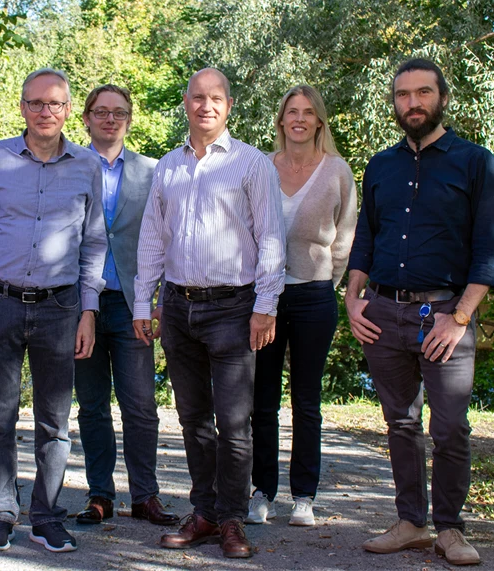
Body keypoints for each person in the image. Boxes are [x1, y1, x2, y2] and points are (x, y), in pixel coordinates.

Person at [346, 58, 494, 566]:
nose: (412, 103)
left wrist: (458, 318)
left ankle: (450, 529)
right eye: (403, 95)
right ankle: (412, 523)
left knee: (451, 427)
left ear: (441, 97)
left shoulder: (477, 163)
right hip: (384, 313)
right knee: (400, 423)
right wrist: (352, 299)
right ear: (394, 102)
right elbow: (365, 239)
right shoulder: (380, 166)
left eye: (422, 93)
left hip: (446, 316)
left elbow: (490, 249)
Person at [0, 68, 107, 553]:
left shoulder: (86, 165)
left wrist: (89, 311)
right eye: (36, 103)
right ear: (21, 107)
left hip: (60, 308)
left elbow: (94, 244)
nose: (46, 112)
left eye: (56, 104)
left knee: (54, 422)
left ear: (68, 111)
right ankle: (0, 512)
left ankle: (46, 515)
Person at [133, 67, 286, 559]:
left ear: (229, 105)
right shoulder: (168, 167)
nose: (206, 106)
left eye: (216, 98)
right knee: (193, 418)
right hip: (179, 308)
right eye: (198, 97)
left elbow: (271, 241)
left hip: (234, 310)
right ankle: (204, 512)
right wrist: (144, 302)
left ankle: (232, 521)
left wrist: (265, 307)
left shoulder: (251, 164)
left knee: (234, 424)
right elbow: (153, 240)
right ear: (185, 102)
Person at [248, 85, 358, 527]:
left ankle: (304, 497)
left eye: (308, 112)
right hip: (264, 299)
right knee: (263, 400)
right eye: (291, 111)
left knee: (306, 401)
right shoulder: (260, 167)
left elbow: (346, 235)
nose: (299, 118)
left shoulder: (337, 171)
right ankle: (262, 491)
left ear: (319, 122)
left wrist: (325, 282)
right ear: (281, 121)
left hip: (314, 295)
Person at [72, 84, 178, 527]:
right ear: (86, 119)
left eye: (118, 112)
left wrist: (158, 302)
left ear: (129, 119)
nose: (109, 119)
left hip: (134, 303)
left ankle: (145, 496)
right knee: (92, 404)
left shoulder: (152, 171)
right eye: (101, 112)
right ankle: (100, 494)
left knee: (140, 405)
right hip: (83, 306)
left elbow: (170, 238)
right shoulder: (70, 167)